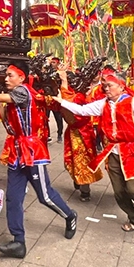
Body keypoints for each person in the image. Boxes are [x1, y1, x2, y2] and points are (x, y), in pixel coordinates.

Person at [0, 64, 78, 260]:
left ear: (21, 77)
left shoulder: (22, 92)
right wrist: (0, 107)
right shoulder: (15, 94)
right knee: (13, 197)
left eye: (10, 76)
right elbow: (8, 124)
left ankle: (70, 216)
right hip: (18, 151)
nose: (6, 79)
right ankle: (18, 241)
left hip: (32, 151)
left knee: (44, 195)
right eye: (5, 76)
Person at [57, 73, 134, 235]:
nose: (106, 89)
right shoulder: (102, 104)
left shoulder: (132, 102)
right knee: (119, 192)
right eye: (104, 86)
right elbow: (82, 110)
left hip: (133, 151)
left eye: (110, 86)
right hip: (113, 153)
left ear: (121, 87)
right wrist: (61, 101)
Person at [56, 69, 103, 201]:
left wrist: (64, 80)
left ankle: (85, 190)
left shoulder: (79, 97)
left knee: (82, 162)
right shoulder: (72, 94)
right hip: (72, 133)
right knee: (70, 161)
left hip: (83, 134)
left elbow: (68, 101)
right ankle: (78, 181)